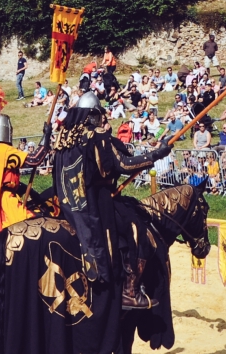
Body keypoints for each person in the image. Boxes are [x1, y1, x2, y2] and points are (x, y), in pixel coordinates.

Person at [51, 90, 172, 310]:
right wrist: (155, 155)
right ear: (91, 115)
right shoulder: (95, 138)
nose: (101, 120)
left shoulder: (63, 139)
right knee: (135, 226)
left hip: (67, 207)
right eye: (98, 115)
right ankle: (129, 290)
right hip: (95, 206)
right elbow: (123, 165)